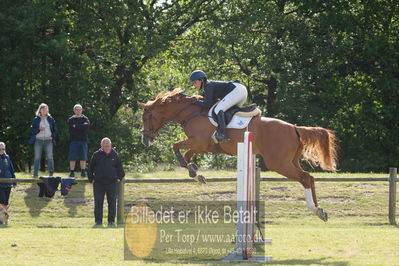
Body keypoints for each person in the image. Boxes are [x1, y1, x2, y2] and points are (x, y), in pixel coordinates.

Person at [190, 70, 248, 142]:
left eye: (195, 82)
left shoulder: (208, 85)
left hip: (237, 91)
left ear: (201, 80)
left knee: (218, 109)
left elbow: (207, 104)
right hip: (242, 91)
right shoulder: (208, 86)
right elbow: (204, 97)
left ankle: (222, 134)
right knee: (227, 112)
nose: (194, 85)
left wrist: (196, 102)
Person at [88, 138, 125, 226]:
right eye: (104, 146)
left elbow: (121, 170)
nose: (106, 147)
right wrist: (91, 179)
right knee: (98, 203)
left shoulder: (115, 155)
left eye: (108, 145)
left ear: (110, 145)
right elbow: (90, 168)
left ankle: (111, 221)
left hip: (112, 183)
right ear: (101, 145)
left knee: (112, 203)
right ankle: (98, 221)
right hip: (98, 183)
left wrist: (119, 178)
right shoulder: (96, 155)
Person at [28, 103, 58, 177]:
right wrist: (39, 129)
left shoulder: (51, 119)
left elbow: (55, 130)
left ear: (47, 110)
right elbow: (31, 130)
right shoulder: (36, 119)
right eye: (43, 108)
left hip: (48, 140)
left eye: (46, 109)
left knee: (50, 157)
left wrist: (52, 137)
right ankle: (35, 173)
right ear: (40, 110)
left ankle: (51, 173)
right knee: (37, 157)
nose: (44, 110)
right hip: (38, 140)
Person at [67, 104, 90, 177]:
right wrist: (81, 126)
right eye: (76, 109)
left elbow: (86, 128)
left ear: (82, 110)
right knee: (72, 157)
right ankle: (72, 172)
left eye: (79, 109)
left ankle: (83, 172)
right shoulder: (71, 119)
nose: (78, 111)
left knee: (83, 157)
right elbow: (71, 130)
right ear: (74, 110)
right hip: (73, 141)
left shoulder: (85, 118)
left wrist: (76, 126)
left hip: (83, 141)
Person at [0, 142, 16, 212]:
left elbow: (11, 170)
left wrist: (14, 182)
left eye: (3, 148)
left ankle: (4, 217)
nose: (1, 150)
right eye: (0, 148)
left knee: (6, 202)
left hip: (8, 183)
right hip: (0, 185)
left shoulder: (7, 157)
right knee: (2, 201)